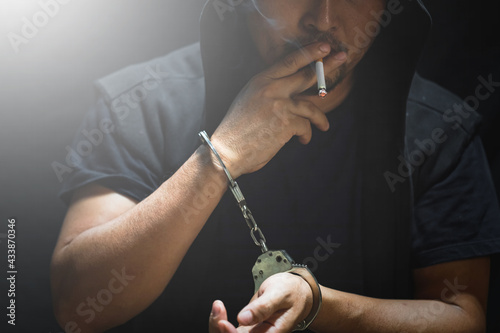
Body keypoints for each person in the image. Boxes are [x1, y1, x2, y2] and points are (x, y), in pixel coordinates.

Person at [50, 1, 500, 332]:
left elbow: (464, 321)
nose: (323, 19)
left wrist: (318, 305)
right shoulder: (141, 103)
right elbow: (78, 305)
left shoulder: (441, 130)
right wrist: (221, 155)